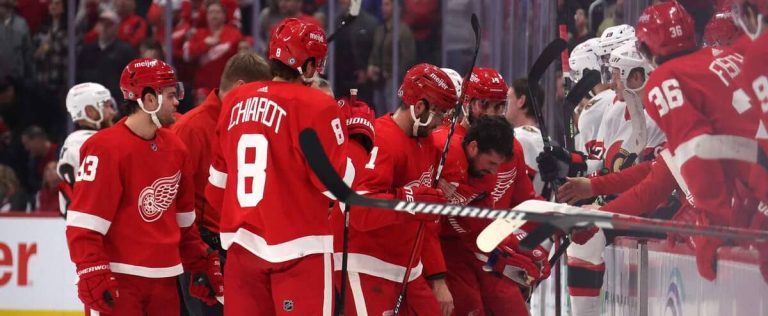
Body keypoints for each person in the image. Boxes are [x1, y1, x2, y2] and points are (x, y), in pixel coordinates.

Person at [205, 18, 348, 314]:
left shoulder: (235, 101)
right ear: (307, 66)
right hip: (300, 249)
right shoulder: (316, 106)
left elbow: (217, 187)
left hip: (242, 250)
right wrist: (353, 140)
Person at [65, 57, 222, 314]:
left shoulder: (176, 148)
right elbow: (85, 224)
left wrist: (199, 262)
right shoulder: (104, 148)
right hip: (119, 280)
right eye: (171, 95)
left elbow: (184, 224)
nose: (177, 101)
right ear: (149, 99)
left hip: (165, 281)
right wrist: (91, 270)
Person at [636, 1, 763, 282]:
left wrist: (712, 228)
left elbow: (698, 151)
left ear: (646, 48)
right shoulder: (728, 56)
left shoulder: (665, 79)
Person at [337, 63, 457, 315]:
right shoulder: (382, 139)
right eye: (439, 113)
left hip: (408, 269)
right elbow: (360, 211)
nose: (441, 123)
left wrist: (437, 277)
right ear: (420, 107)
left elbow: (426, 222)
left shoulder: (428, 146)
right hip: (367, 265)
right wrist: (409, 200)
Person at [172, 52, 270, 315]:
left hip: (244, 251)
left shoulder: (254, 123)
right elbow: (176, 202)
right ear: (240, 88)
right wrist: (198, 258)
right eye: (260, 92)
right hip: (205, 255)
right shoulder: (191, 129)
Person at [57, 82, 117, 217]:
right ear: (90, 111)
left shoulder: (75, 141)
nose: (112, 112)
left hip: (84, 223)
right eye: (106, 106)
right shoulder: (92, 143)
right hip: (94, 225)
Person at [184, 0, 242, 91]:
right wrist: (205, 44)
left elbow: (238, 53)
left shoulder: (233, 33)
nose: (214, 15)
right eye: (211, 12)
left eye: (217, 12)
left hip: (227, 84)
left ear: (224, 15)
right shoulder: (199, 34)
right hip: (203, 86)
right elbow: (188, 54)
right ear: (206, 15)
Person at [505, 78, 546, 195]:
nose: (505, 104)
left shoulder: (517, 138)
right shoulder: (547, 141)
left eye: (508, 98)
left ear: (521, 101)